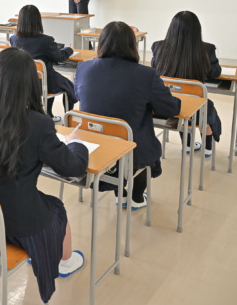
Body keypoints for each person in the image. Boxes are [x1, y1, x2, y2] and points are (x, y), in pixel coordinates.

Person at [0, 48, 88, 303]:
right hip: (13, 223)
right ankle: (65, 262)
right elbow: (73, 168)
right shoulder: (38, 125)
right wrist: (77, 144)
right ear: (32, 83)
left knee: (30, 196)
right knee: (57, 208)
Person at [74, 21, 181, 207]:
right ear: (133, 45)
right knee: (140, 138)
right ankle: (135, 197)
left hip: (94, 147)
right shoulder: (146, 75)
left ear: (101, 44)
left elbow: (79, 95)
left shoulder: (84, 68)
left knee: (118, 129)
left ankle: (121, 193)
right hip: (131, 152)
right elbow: (169, 109)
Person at [151, 11, 222, 157]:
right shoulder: (207, 49)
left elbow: (154, 70)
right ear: (197, 30)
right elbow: (215, 73)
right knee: (206, 108)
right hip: (196, 109)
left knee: (181, 103)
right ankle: (207, 148)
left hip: (167, 104)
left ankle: (188, 146)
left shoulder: (158, 47)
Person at [10, 5, 77, 122]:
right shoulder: (46, 40)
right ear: (38, 21)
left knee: (52, 79)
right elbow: (59, 57)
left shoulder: (14, 39)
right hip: (43, 83)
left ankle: (49, 113)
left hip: (23, 83)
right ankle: (67, 118)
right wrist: (70, 49)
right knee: (68, 85)